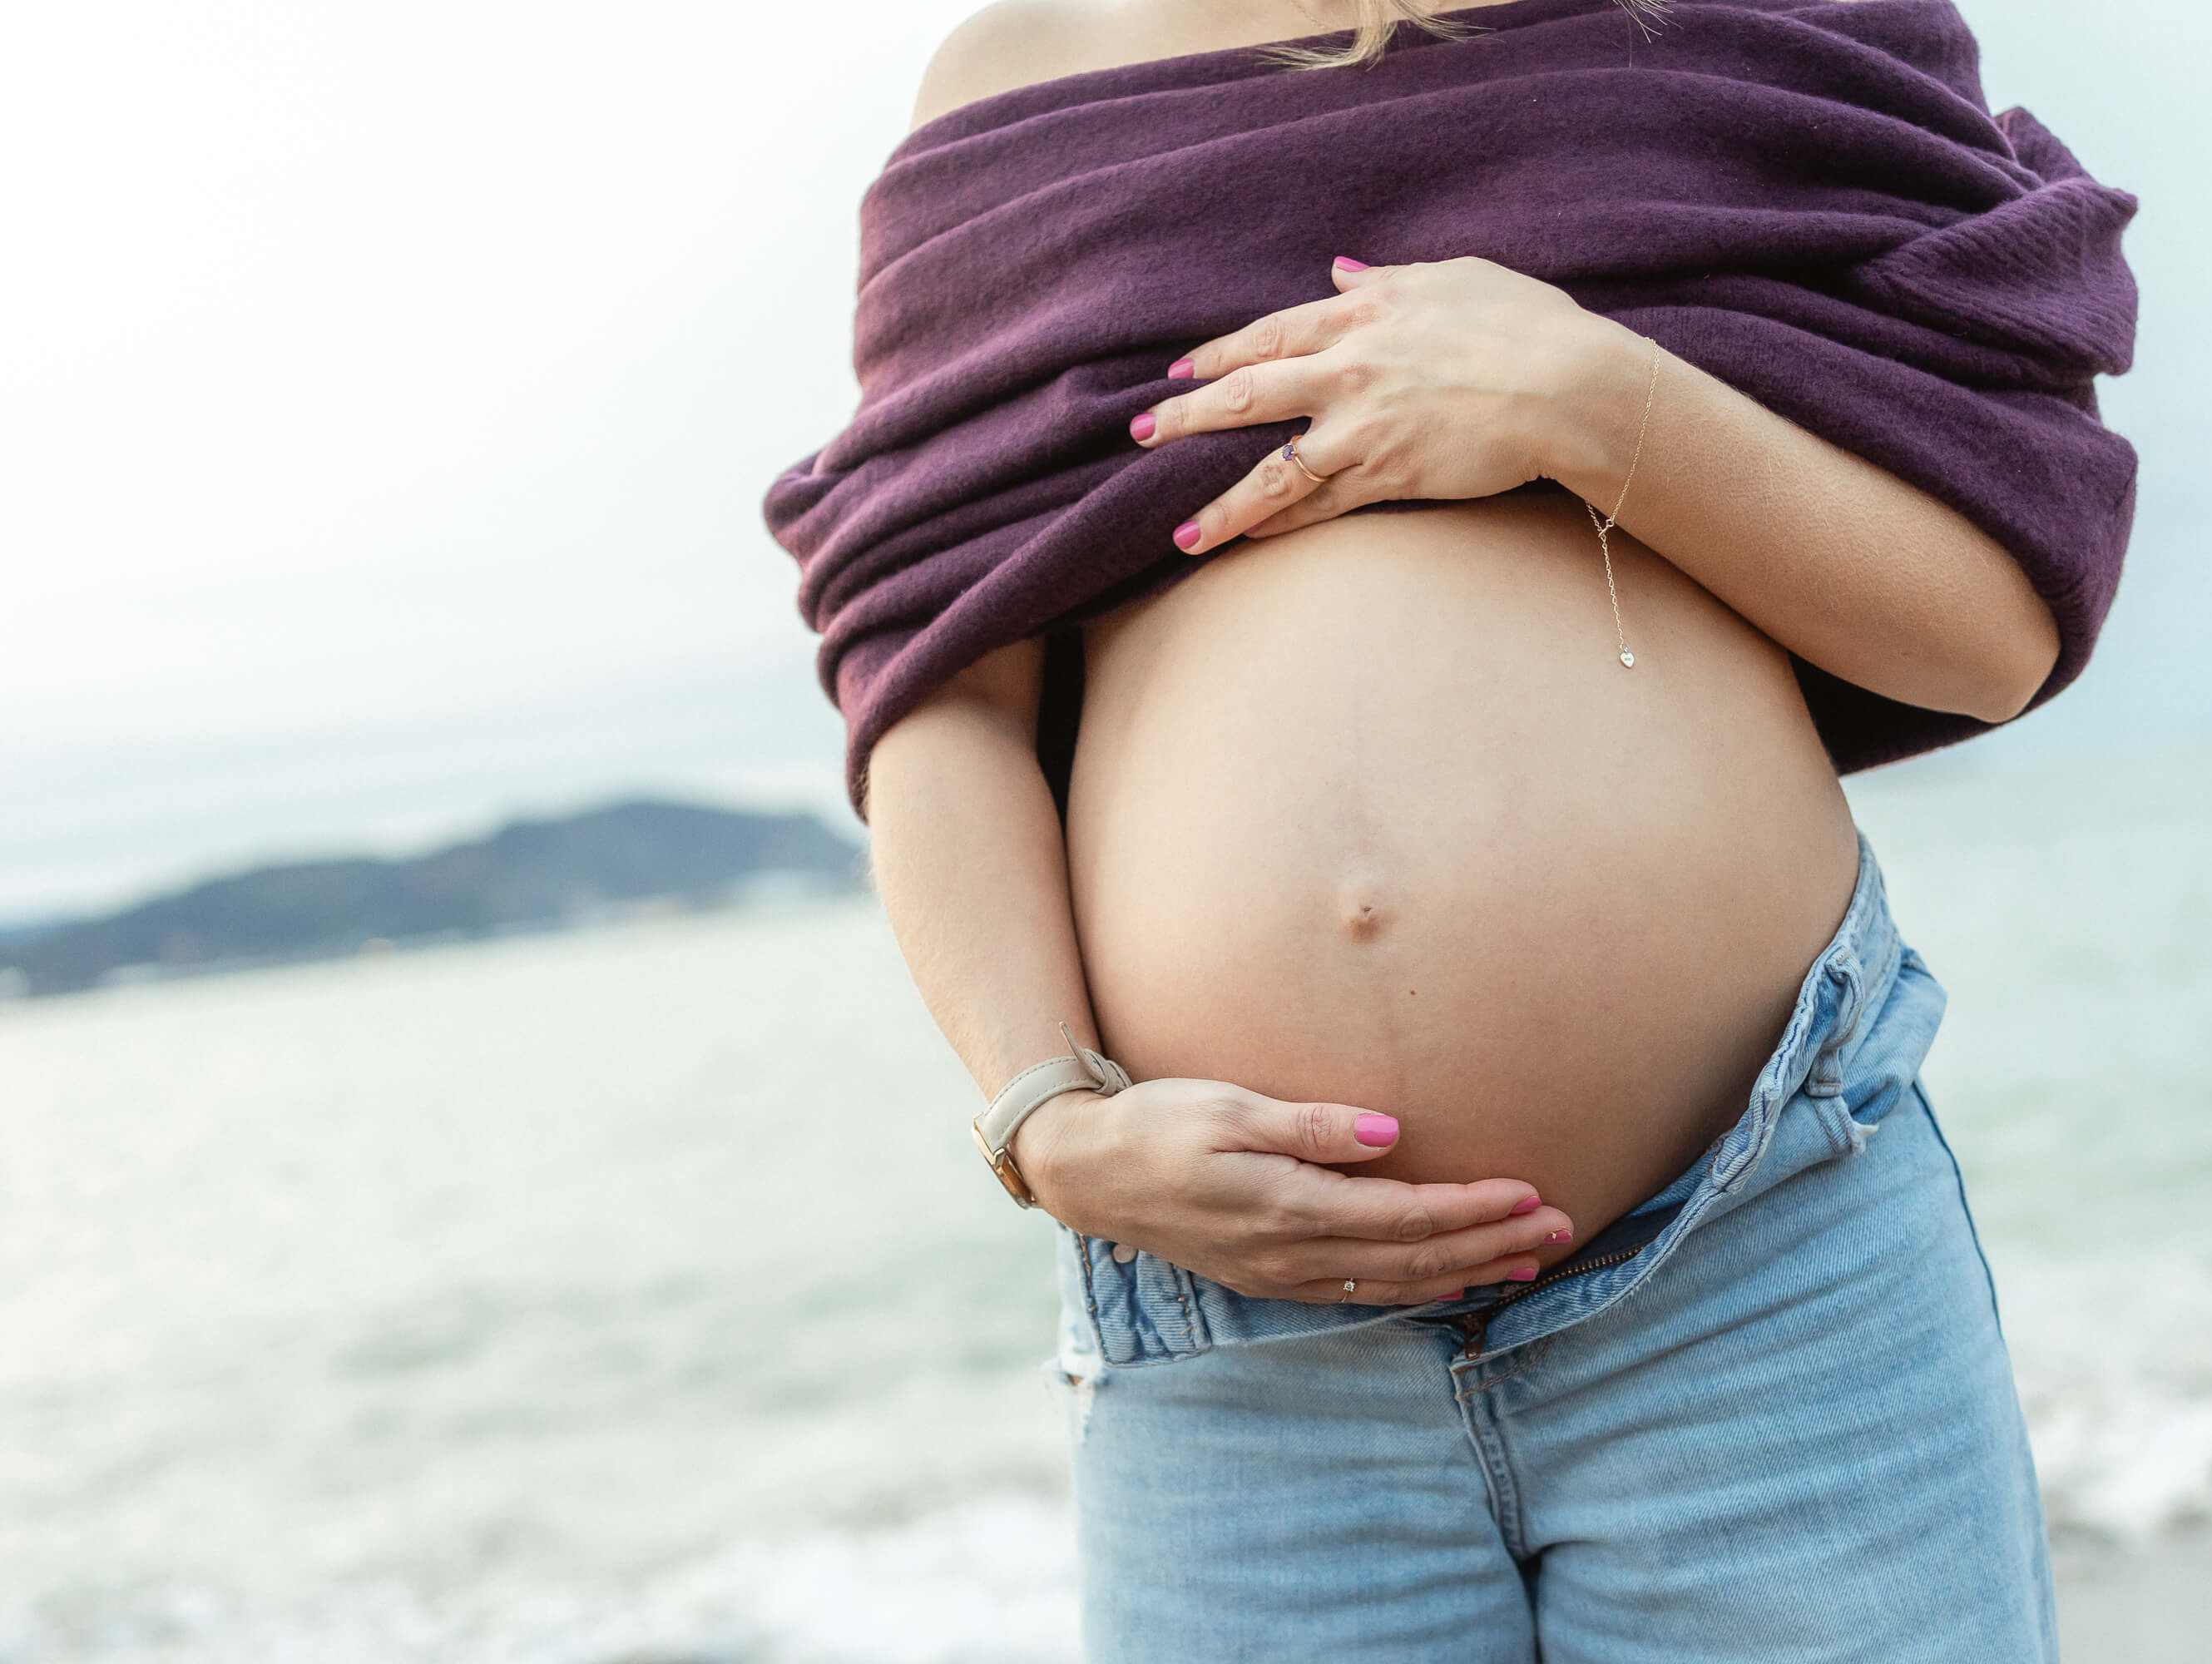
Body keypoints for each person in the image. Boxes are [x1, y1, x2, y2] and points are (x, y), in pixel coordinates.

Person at [769, 0, 2136, 1654]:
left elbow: (1987, 634)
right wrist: (1046, 1116)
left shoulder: (1758, 20)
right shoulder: (1015, 78)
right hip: (1241, 1363)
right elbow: (937, 689)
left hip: (1763, 1266)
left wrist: (1594, 401)